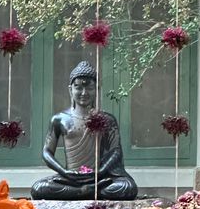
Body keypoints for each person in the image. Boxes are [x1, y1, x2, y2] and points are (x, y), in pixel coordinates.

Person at [31, 61, 137, 200]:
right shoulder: (59, 119)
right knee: (39, 188)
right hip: (71, 178)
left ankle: (84, 191)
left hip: (100, 177)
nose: (84, 93)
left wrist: (101, 171)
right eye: (78, 88)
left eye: (90, 88)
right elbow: (46, 152)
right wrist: (64, 171)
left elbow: (115, 150)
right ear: (70, 90)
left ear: (97, 90)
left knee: (127, 188)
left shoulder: (107, 119)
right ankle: (86, 191)